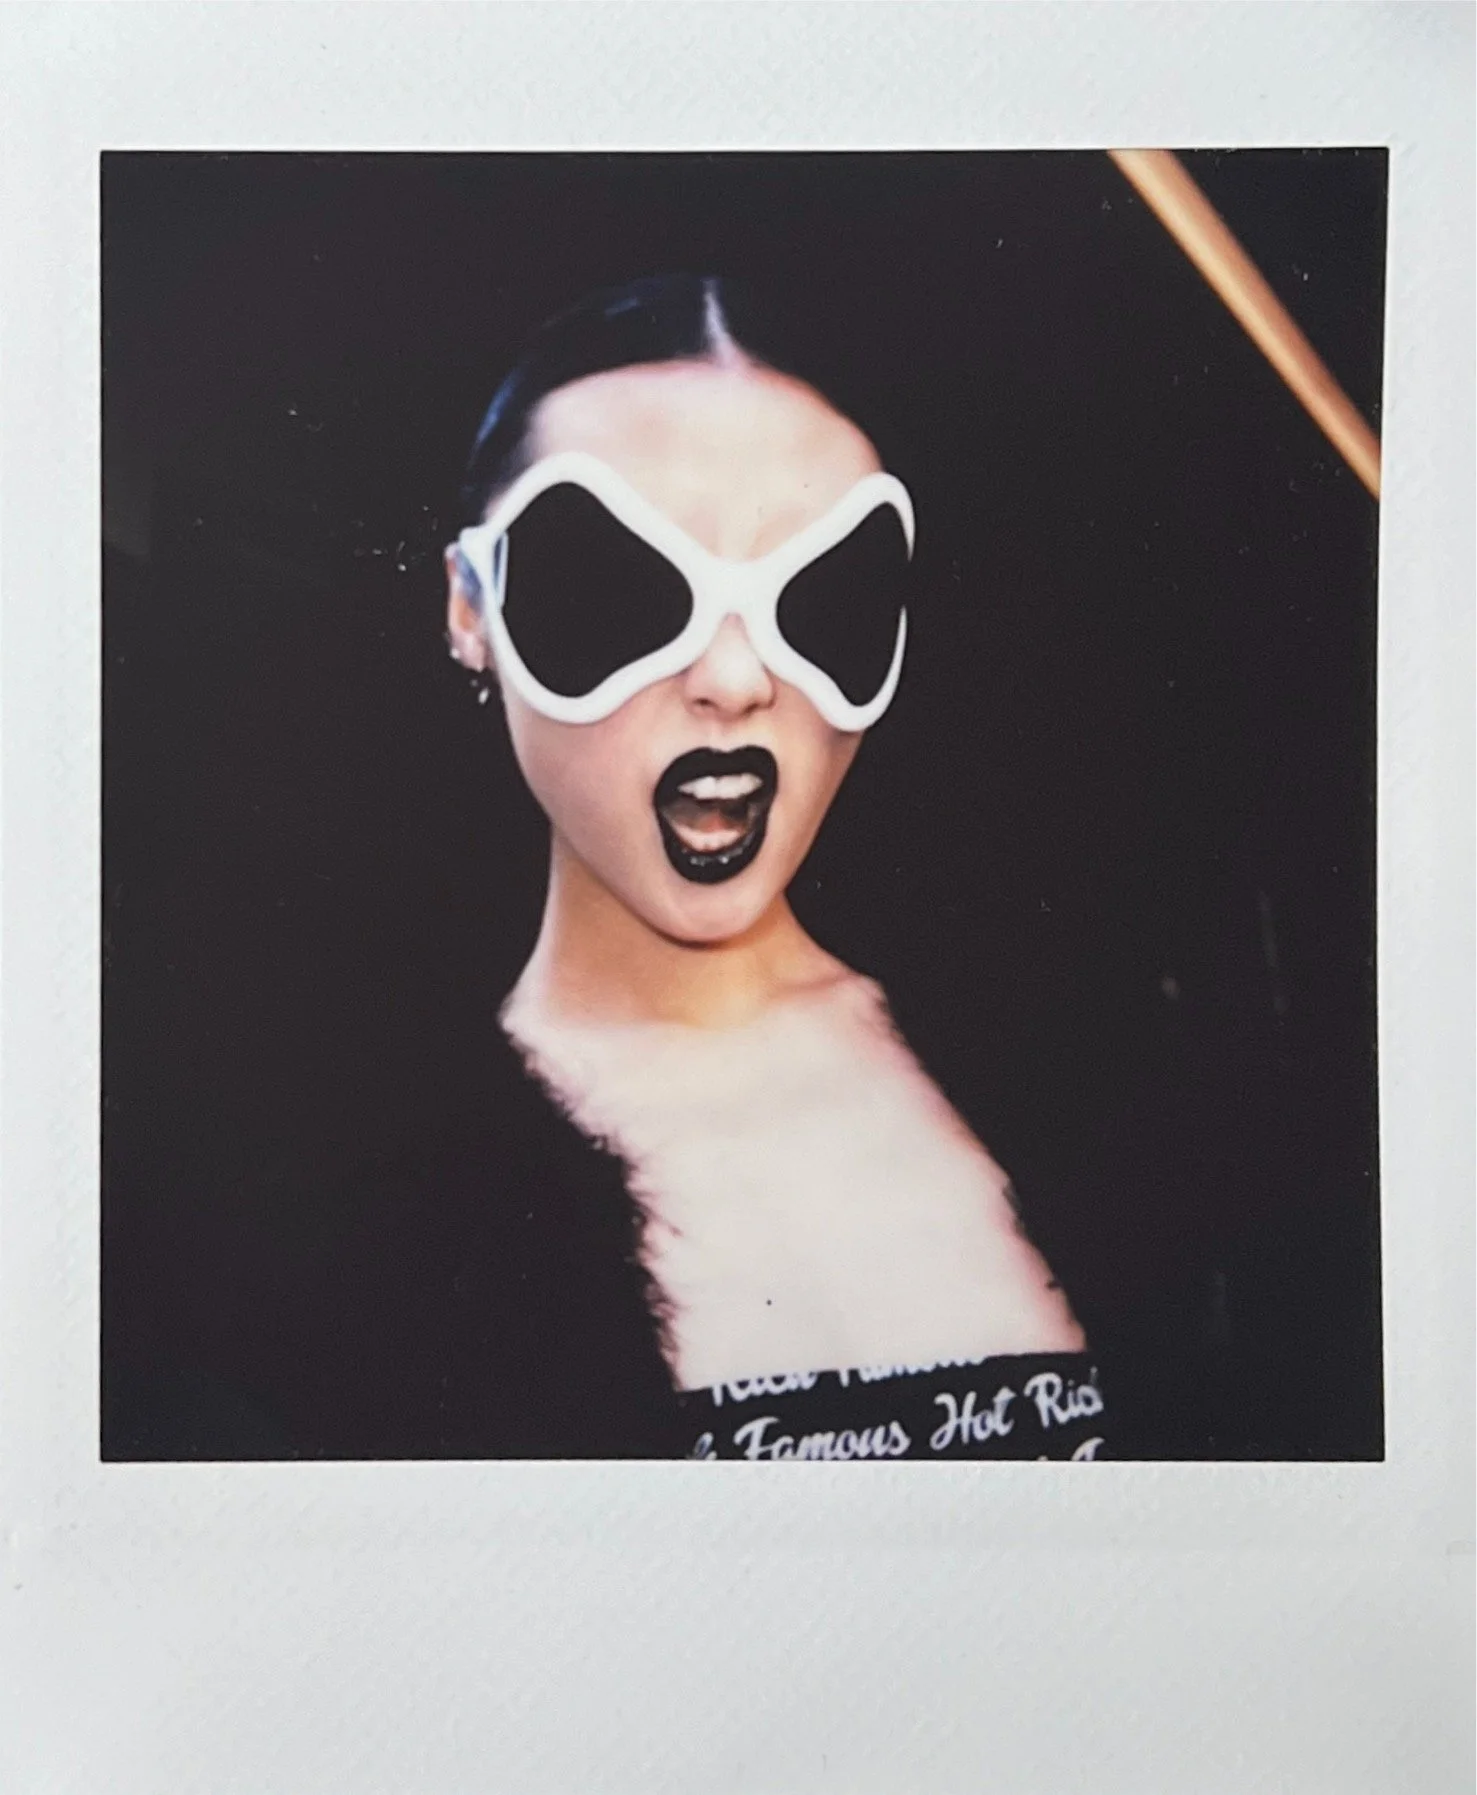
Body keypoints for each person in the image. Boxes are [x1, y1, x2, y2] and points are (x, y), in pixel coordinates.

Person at [428, 274, 1108, 1461]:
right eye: (619, 585)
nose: (736, 678)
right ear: (471, 609)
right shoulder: (374, 1218)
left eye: (823, 595)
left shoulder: (1080, 1073)